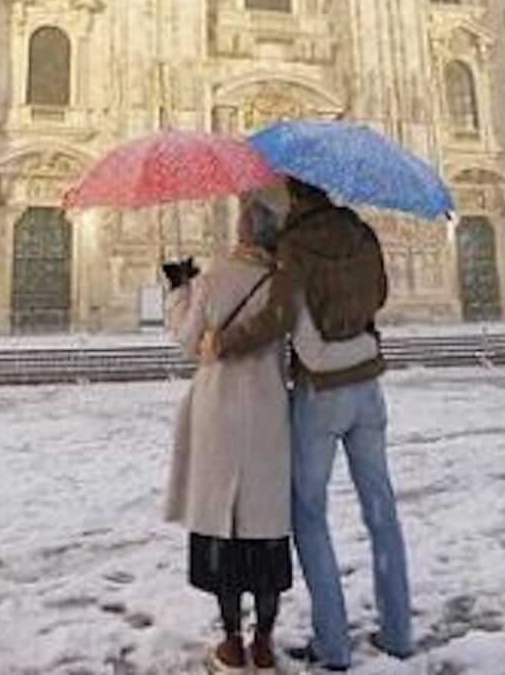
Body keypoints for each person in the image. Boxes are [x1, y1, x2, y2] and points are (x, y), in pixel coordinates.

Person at [207, 178, 413, 671]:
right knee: (381, 509)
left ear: (293, 198)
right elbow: (379, 294)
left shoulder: (294, 246)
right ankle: (399, 633)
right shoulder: (362, 232)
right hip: (368, 385)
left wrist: (223, 342)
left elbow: (278, 316)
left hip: (322, 391)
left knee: (309, 516)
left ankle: (334, 644)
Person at [163, 197, 292, 673]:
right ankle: (265, 640)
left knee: (224, 529)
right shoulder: (284, 283)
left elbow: (186, 341)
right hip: (269, 415)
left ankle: (233, 643)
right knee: (266, 531)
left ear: (241, 230)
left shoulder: (212, 280)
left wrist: (180, 290)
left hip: (217, 416)